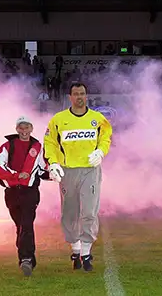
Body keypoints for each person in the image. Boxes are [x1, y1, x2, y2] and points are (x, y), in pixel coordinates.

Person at [43, 82, 113, 272]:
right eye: (76, 94)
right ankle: (75, 248)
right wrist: (54, 163)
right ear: (70, 97)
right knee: (70, 213)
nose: (79, 97)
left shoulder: (97, 119)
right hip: (68, 171)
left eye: (82, 93)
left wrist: (100, 151)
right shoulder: (58, 119)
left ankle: (87, 252)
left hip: (90, 170)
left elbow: (106, 137)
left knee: (89, 211)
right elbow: (49, 143)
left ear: (86, 96)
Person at [0, 116, 58, 277]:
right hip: (12, 192)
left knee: (27, 224)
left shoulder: (38, 148)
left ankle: (25, 259)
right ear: (17, 129)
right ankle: (28, 257)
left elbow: (43, 170)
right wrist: (16, 175)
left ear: (32, 129)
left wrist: (55, 174)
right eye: (21, 127)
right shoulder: (8, 146)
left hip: (30, 192)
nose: (24, 130)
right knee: (20, 226)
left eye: (27, 127)